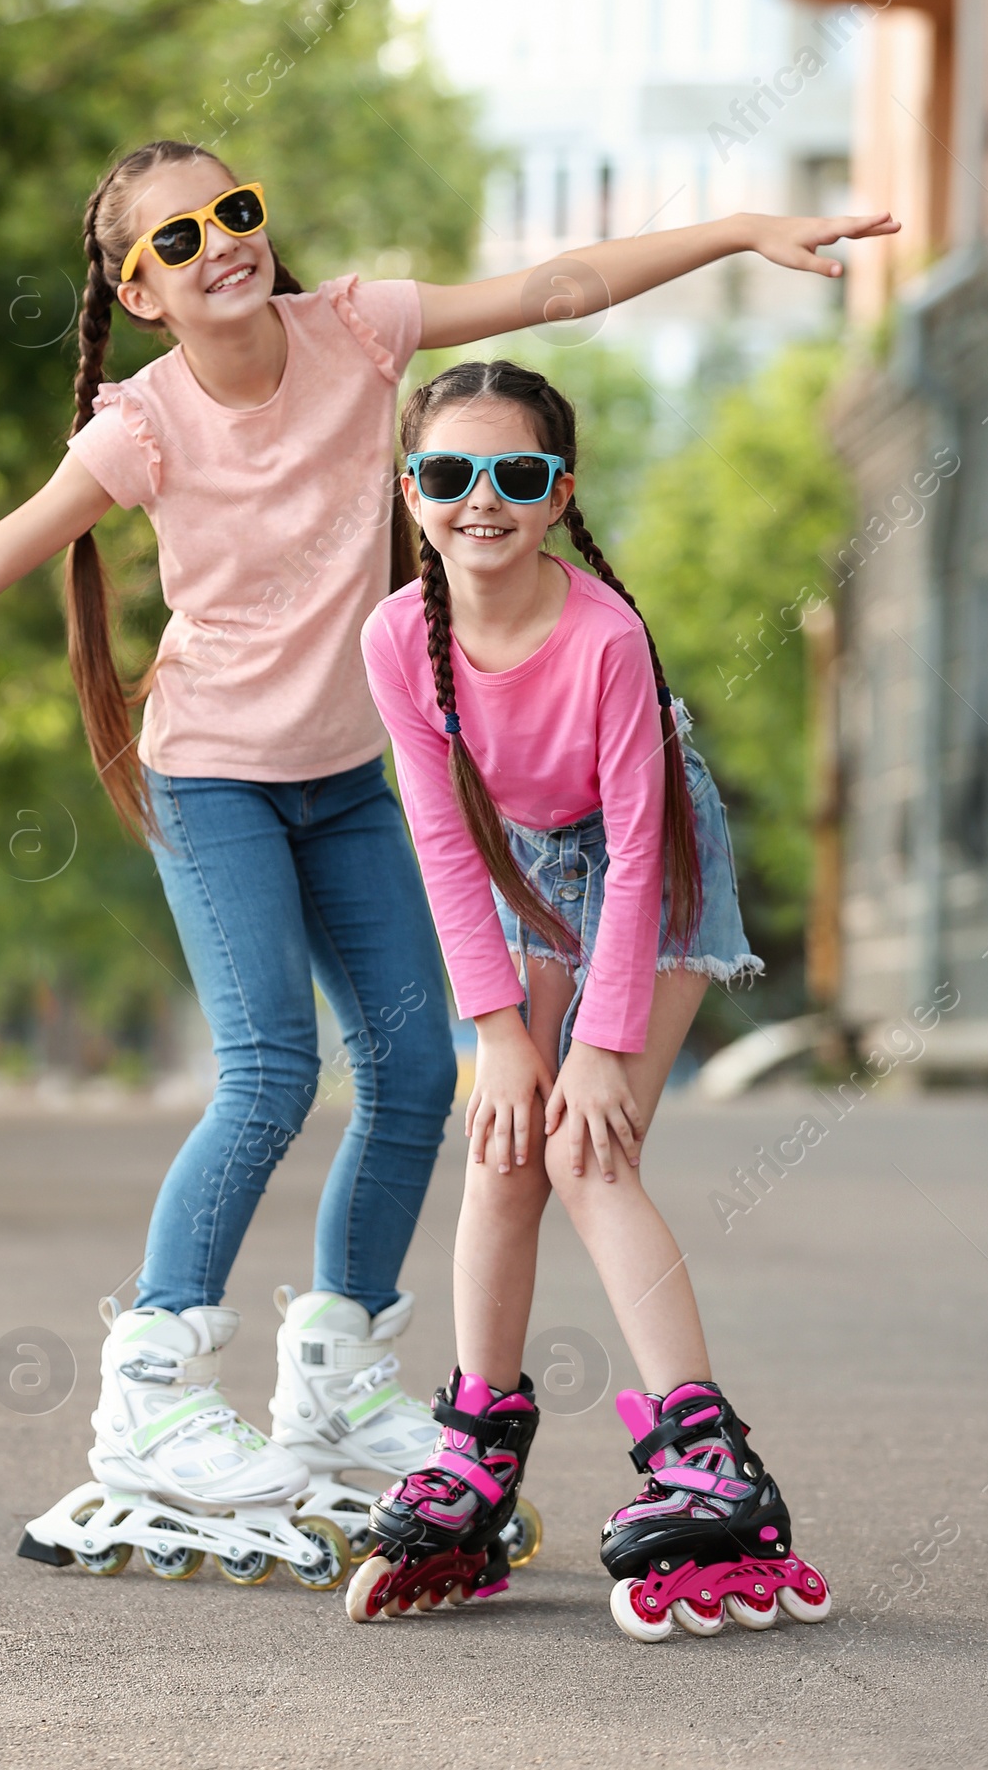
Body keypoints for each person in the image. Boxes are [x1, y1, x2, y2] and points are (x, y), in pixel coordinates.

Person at [0, 145, 891, 1570]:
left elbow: (559, 289)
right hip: (214, 781)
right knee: (269, 1073)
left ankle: (334, 1378)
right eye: (180, 239)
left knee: (419, 1069)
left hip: (349, 780)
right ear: (139, 291)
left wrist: (743, 229)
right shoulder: (146, 427)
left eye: (237, 212)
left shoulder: (359, 331)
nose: (223, 245)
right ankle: (152, 1393)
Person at [347, 358, 831, 1635]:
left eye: (515, 474)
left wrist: (603, 1047)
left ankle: (708, 1461)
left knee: (585, 1150)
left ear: (558, 493)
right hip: (518, 871)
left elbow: (633, 840)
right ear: (412, 493)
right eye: (449, 476)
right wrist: (499, 1035)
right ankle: (475, 1455)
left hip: (651, 862)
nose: (481, 500)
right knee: (503, 1146)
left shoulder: (604, 634)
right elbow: (446, 846)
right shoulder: (399, 638)